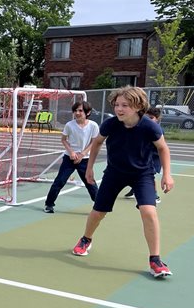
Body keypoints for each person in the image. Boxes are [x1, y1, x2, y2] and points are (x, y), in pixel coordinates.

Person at [72, 86, 174, 278]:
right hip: (114, 173)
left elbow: (163, 148)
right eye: (117, 104)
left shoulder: (150, 126)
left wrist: (167, 174)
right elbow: (97, 143)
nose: (119, 109)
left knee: (149, 211)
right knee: (98, 212)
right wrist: (90, 168)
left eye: (125, 105)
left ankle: (155, 259)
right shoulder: (110, 124)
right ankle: (86, 239)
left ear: (137, 106)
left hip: (142, 174)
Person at [44, 100, 100, 213]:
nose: (77, 113)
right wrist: (71, 152)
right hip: (69, 159)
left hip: (84, 159)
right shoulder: (69, 125)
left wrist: (83, 154)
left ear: (88, 112)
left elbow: (94, 141)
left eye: (80, 110)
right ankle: (49, 204)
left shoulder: (93, 125)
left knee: (90, 182)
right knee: (59, 181)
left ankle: (100, 206)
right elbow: (63, 140)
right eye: (75, 110)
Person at [123, 106, 162, 203]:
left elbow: (160, 147)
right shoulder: (142, 127)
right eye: (147, 117)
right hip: (142, 158)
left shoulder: (156, 130)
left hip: (153, 158)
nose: (149, 119)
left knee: (149, 176)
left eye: (152, 118)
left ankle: (155, 195)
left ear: (157, 119)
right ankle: (134, 190)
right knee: (133, 174)